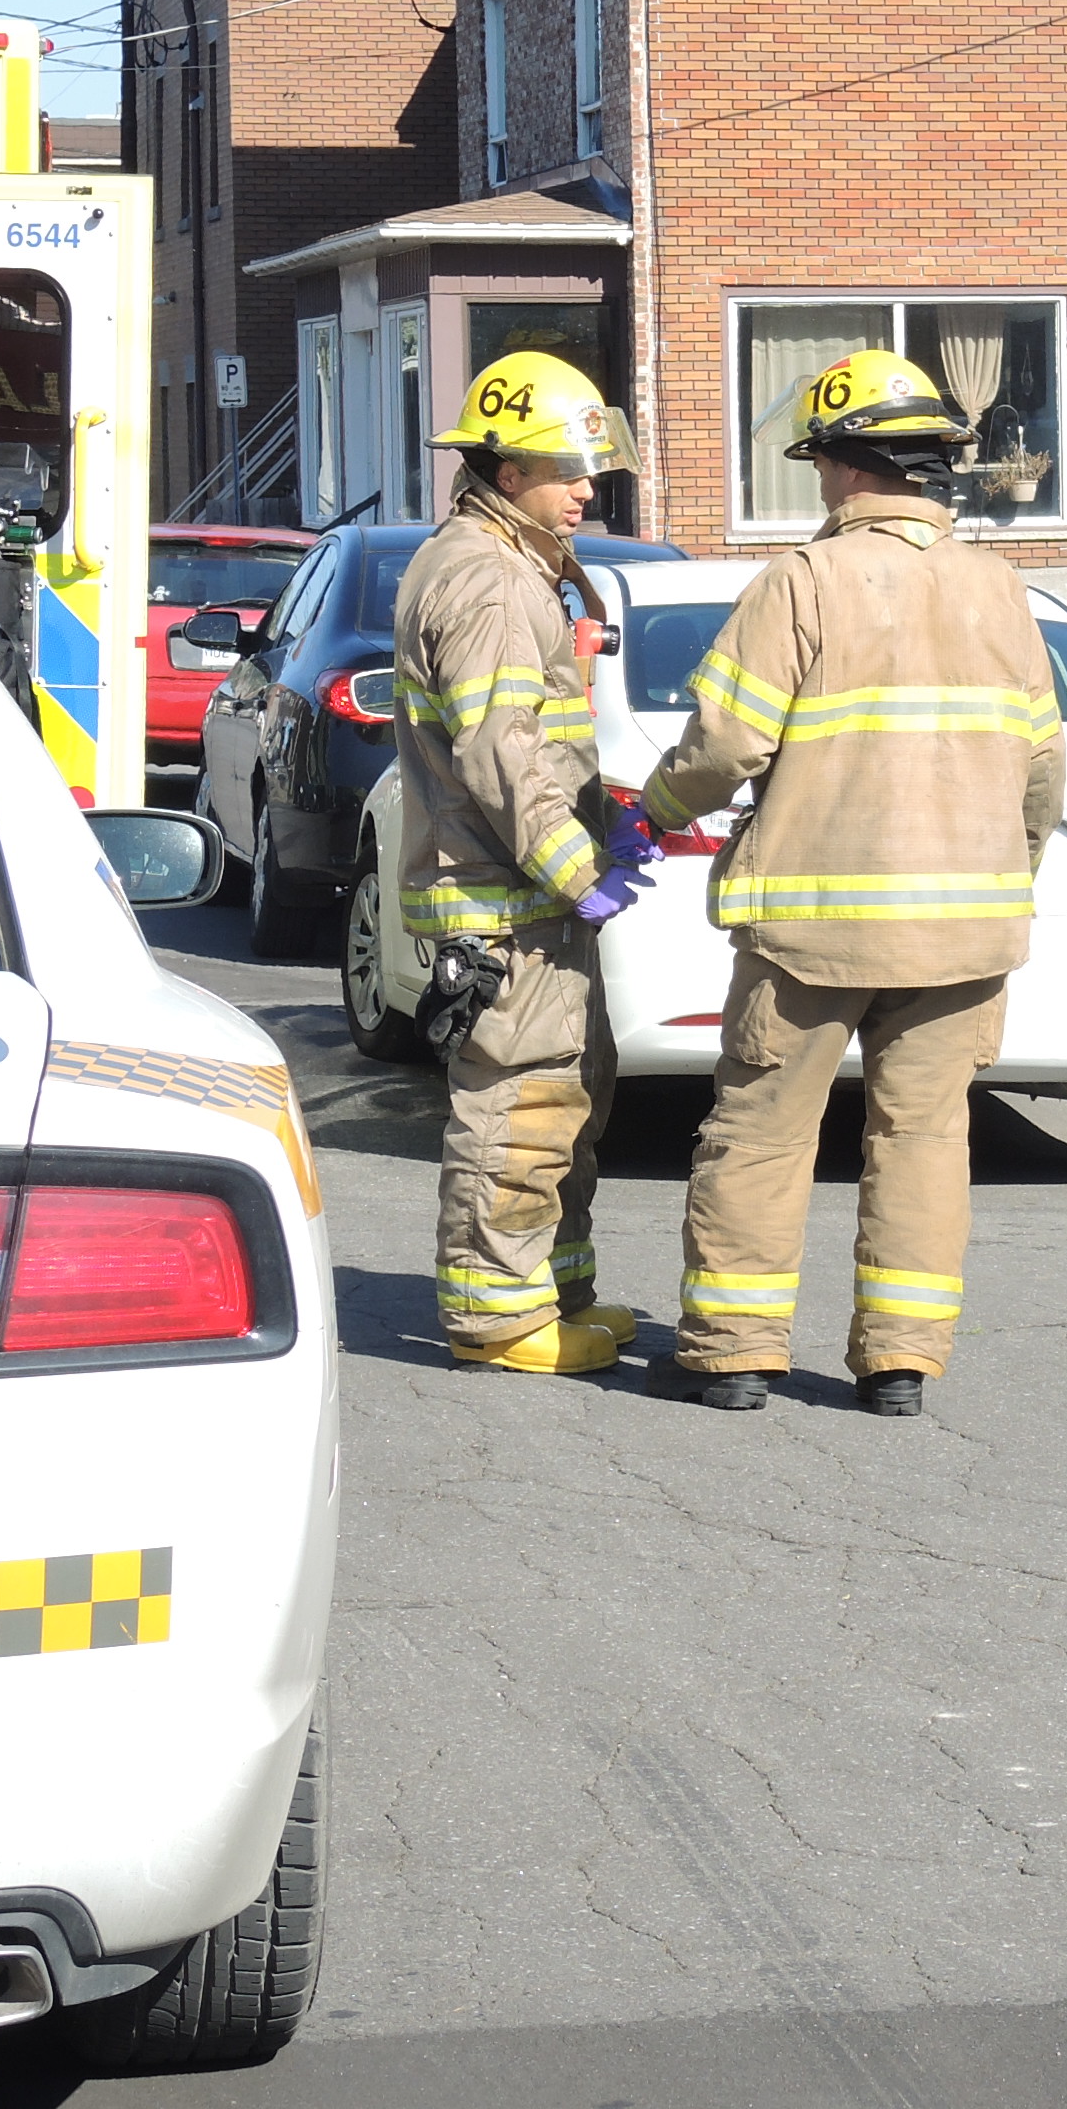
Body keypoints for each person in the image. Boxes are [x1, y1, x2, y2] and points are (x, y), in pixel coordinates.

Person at [635, 350, 1065, 1416]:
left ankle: (737, 1354)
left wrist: (650, 810)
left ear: (842, 465)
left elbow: (726, 742)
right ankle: (901, 1364)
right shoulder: (1000, 591)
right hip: (962, 936)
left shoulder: (803, 582)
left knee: (763, 1130)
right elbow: (1043, 771)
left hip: (810, 933)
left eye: (821, 460)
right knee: (922, 1139)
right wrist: (1006, 872)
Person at [389, 354, 652, 1374]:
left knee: (568, 1096)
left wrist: (594, 828)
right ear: (506, 475)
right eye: (565, 469)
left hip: (522, 891)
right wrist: (572, 865)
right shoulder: (495, 582)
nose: (586, 487)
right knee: (522, 1105)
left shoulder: (503, 562)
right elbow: (499, 748)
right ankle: (498, 1322)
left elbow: (530, 741)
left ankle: (548, 1288)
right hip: (505, 899)